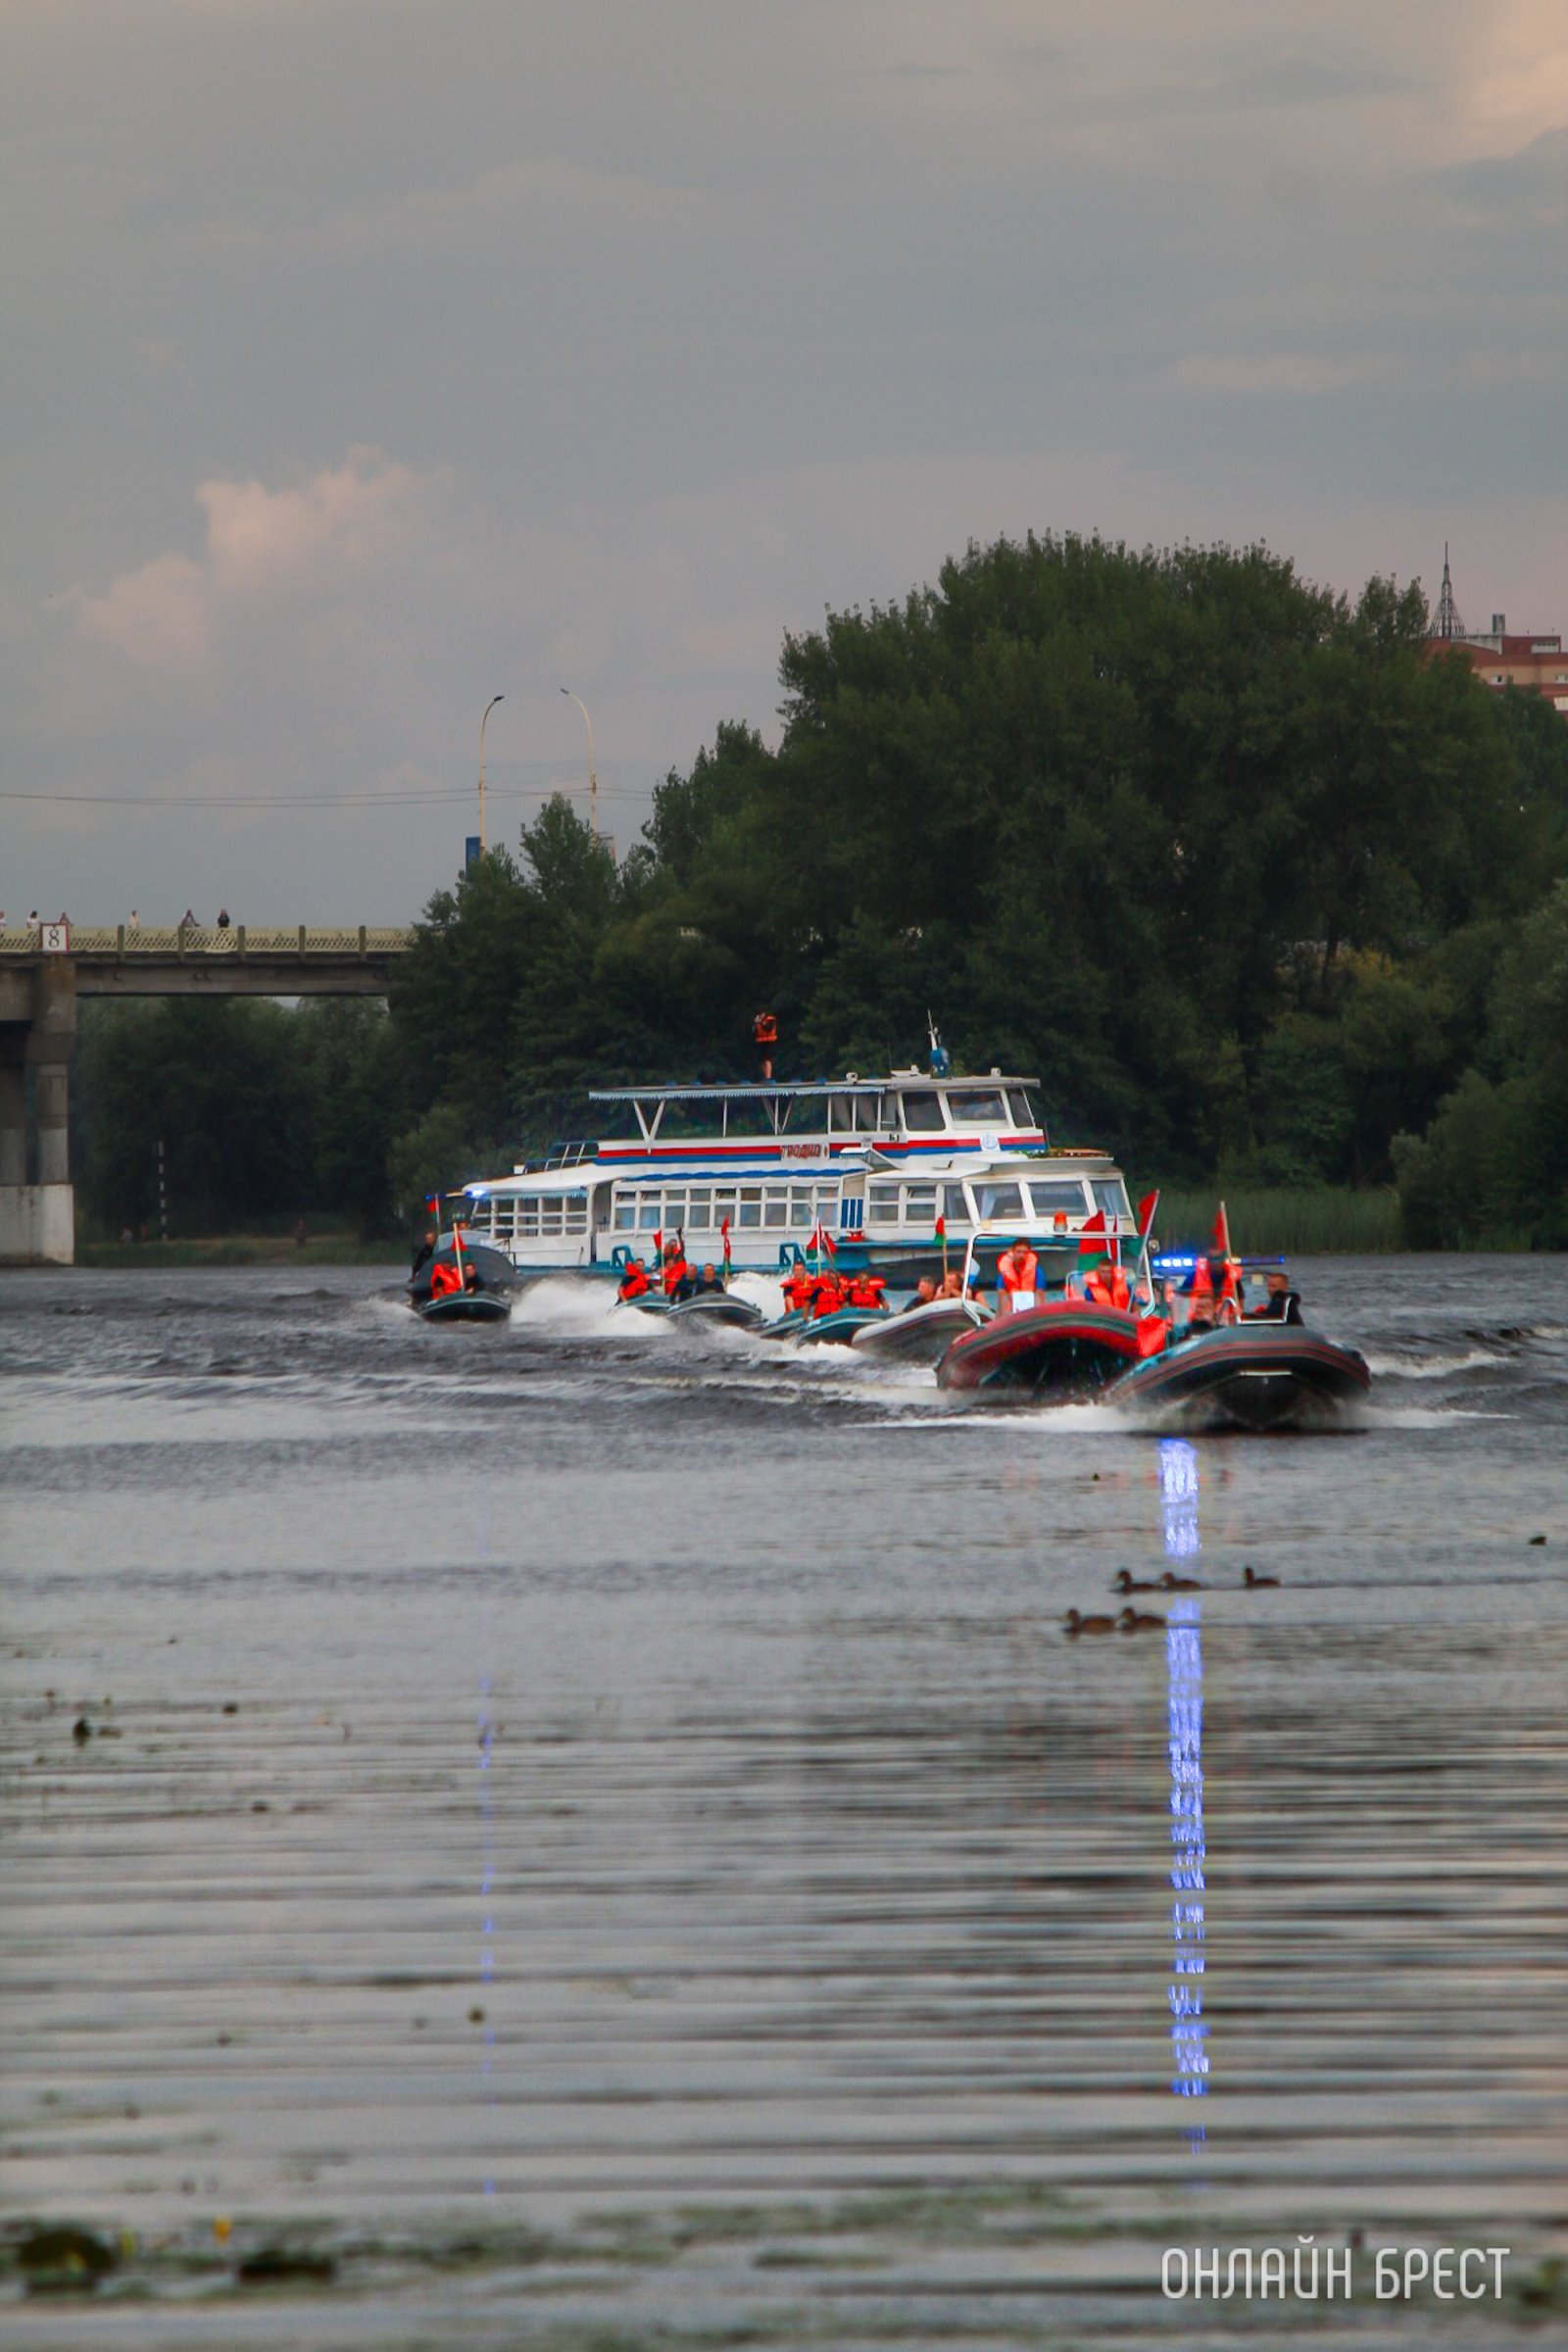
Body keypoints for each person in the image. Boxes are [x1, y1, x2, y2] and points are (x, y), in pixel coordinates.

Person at [996, 1238, 1039, 1312]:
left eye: (1024, 1252)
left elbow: (1040, 1295)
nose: (1021, 1255)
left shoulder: (1037, 1271)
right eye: (1018, 1252)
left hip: (1031, 1310)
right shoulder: (1004, 1272)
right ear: (1012, 1251)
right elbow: (1001, 1297)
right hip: (1010, 1312)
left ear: (1029, 1253)